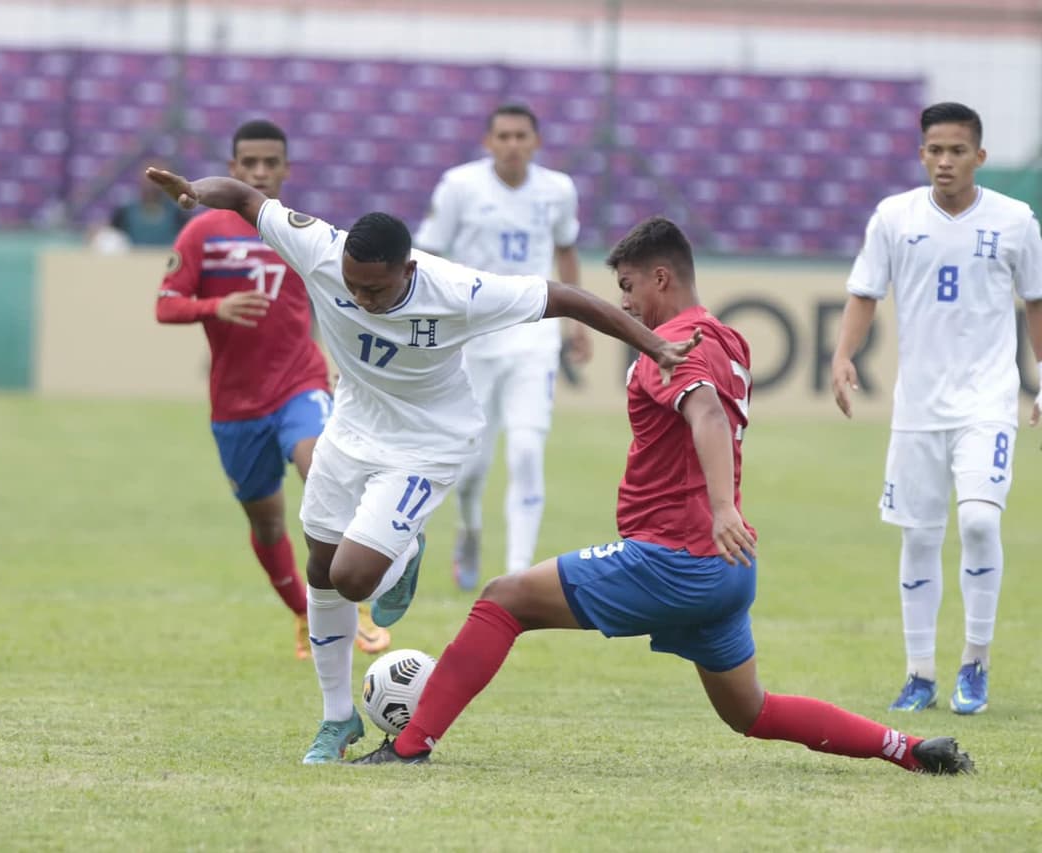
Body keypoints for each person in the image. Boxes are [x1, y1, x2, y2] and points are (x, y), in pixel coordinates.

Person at [351, 216, 974, 776]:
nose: (624, 303)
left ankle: (408, 747)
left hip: (673, 558)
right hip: (726, 569)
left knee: (504, 599)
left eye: (627, 287)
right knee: (750, 711)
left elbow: (703, 413)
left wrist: (723, 507)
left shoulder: (669, 344)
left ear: (660, 277)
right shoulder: (728, 339)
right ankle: (907, 748)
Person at [144, 166, 700, 765]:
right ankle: (336, 719)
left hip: (426, 442)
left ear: (407, 271)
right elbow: (246, 197)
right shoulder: (320, 250)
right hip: (350, 426)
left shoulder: (458, 290)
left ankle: (404, 551)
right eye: (352, 287)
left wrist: (653, 345)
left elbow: (566, 298)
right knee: (322, 568)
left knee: (356, 576)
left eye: (375, 291)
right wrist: (200, 193)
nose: (361, 299)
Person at [831, 102, 1042, 715]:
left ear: (979, 156)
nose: (944, 161)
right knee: (919, 538)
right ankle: (919, 673)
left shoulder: (1015, 220)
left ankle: (974, 662)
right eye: (934, 150)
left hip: (987, 401)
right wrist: (844, 355)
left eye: (956, 151)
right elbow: (864, 292)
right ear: (922, 154)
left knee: (978, 522)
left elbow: (1036, 302)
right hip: (918, 407)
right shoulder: (894, 218)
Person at [155, 120, 391, 661]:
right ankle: (305, 613)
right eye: (250, 164)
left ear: (285, 169)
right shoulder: (202, 233)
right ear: (234, 168)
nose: (260, 172)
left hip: (300, 384)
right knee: (266, 521)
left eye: (270, 163)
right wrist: (215, 306)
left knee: (324, 471)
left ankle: (351, 600)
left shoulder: (300, 231)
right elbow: (165, 305)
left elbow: (355, 297)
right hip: (235, 407)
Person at [414, 104, 592, 590]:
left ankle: (517, 574)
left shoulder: (557, 190)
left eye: (521, 136)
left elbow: (566, 247)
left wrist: (577, 325)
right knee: (471, 468)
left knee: (528, 450)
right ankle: (469, 529)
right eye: (504, 136)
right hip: (472, 337)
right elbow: (426, 253)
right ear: (488, 142)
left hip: (533, 331)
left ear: (535, 143)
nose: (513, 144)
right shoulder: (459, 187)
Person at [112, 160, 191, 247]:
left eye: (158, 180)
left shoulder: (177, 213)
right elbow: (113, 236)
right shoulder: (125, 211)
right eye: (148, 179)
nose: (151, 185)